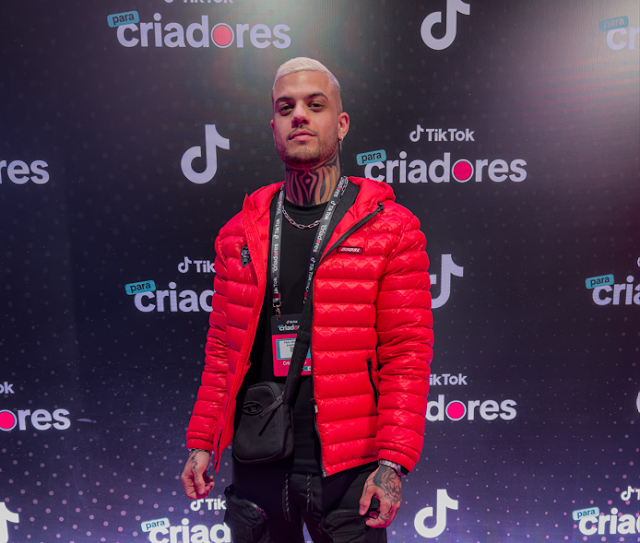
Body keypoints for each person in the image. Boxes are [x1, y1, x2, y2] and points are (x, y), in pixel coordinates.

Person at [181, 57, 433, 543]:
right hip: (257, 458)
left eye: (315, 105)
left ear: (341, 124)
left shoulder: (391, 229)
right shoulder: (239, 233)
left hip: (348, 468)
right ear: (273, 128)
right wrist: (202, 442)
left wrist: (392, 463)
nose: (299, 115)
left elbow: (407, 353)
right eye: (286, 107)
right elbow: (221, 352)